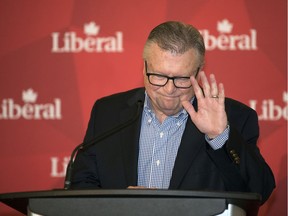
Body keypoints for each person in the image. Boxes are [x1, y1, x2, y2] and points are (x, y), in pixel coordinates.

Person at [70, 21, 275, 204]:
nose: (169, 90)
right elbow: (80, 186)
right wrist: (122, 206)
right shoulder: (108, 113)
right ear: (144, 68)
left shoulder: (235, 118)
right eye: (158, 76)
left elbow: (259, 192)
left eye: (182, 79)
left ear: (199, 72)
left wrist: (220, 135)